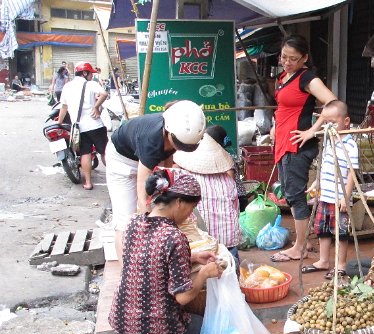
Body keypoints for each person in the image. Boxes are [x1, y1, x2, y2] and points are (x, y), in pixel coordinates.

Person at [106, 168, 223, 334]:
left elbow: (149, 262)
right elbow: (183, 298)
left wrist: (193, 257)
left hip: (123, 317)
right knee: (209, 326)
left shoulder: (133, 222)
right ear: (179, 202)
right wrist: (204, 273)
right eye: (191, 207)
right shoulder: (174, 236)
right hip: (157, 323)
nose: (190, 215)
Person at [268, 33, 337, 263]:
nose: (286, 62)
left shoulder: (306, 77)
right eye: (284, 57)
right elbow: (284, 108)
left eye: (293, 59)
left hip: (298, 145)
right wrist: (275, 126)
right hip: (283, 143)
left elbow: (332, 103)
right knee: (291, 194)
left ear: (304, 58)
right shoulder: (284, 77)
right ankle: (304, 241)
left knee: (296, 196)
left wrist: (312, 130)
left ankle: (299, 248)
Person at [104, 99, 206, 245]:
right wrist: (152, 224)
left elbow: (168, 159)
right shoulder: (152, 139)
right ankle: (126, 266)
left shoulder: (173, 132)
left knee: (159, 206)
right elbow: (143, 191)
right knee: (126, 220)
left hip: (145, 155)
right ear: (168, 132)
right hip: (122, 161)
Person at [294, 100, 359, 280]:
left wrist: (346, 197)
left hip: (339, 198)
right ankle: (323, 260)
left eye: (333, 122)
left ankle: (341, 265)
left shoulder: (350, 145)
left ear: (346, 121)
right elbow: (325, 166)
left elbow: (352, 174)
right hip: (325, 196)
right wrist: (317, 182)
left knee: (341, 233)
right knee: (322, 229)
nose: (329, 126)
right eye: (326, 122)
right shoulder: (330, 141)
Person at [173, 126, 242, 269]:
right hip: (229, 242)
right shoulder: (228, 180)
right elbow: (236, 210)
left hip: (202, 246)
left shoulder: (187, 179)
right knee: (231, 271)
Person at [56, 62, 109, 190]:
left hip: (79, 128)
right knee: (105, 152)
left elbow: (64, 107)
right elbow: (104, 94)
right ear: (85, 73)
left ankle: (88, 183)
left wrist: (59, 122)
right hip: (95, 125)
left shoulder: (67, 86)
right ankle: (115, 178)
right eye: (91, 73)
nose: (92, 76)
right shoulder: (91, 84)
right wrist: (96, 107)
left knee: (85, 153)